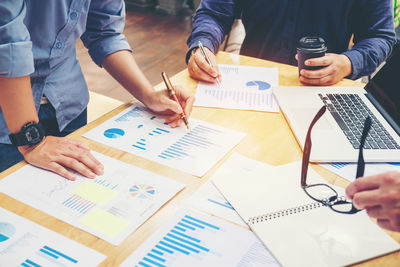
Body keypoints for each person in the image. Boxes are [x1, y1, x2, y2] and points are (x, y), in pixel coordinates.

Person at [0, 1, 194, 180]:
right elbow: (7, 46)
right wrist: (32, 141)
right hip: (9, 118)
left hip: (68, 104)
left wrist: (149, 95)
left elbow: (104, 32)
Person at [186, 0, 396, 86]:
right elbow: (214, 12)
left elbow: (380, 36)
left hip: (324, 90)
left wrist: (349, 62)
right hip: (251, 84)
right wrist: (202, 46)